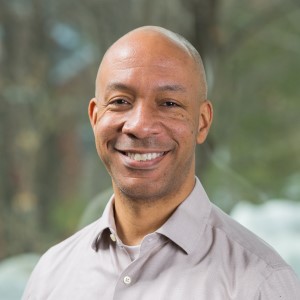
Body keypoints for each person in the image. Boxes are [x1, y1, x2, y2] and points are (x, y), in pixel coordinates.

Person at [22, 26, 300, 299]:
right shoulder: (51, 275)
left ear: (202, 123)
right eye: (120, 101)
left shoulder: (261, 282)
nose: (140, 126)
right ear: (95, 118)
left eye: (168, 104)